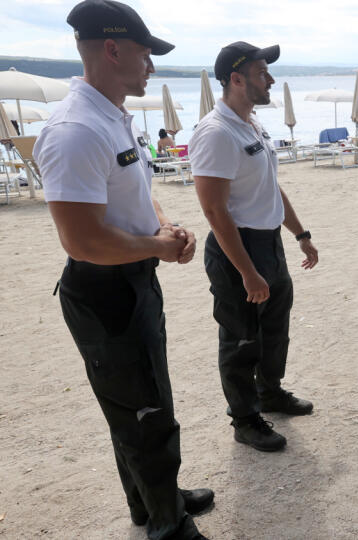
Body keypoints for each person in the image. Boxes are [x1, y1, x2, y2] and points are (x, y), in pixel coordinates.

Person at [34, 1, 212, 538]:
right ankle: (168, 525)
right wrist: (156, 248)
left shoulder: (111, 117)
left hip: (131, 275)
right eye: (145, 53)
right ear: (111, 50)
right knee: (142, 413)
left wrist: (165, 227)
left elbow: (136, 194)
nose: (151, 66)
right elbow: (82, 239)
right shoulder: (75, 130)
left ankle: (151, 500)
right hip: (104, 287)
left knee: (143, 400)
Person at [190, 41, 318, 453]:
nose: (272, 80)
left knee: (274, 328)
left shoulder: (251, 124)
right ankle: (245, 419)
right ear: (236, 78)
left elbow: (269, 187)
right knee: (241, 338)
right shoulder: (216, 132)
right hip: (237, 249)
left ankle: (270, 392)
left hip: (269, 242)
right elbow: (214, 210)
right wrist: (246, 271)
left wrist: (300, 234)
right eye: (264, 73)